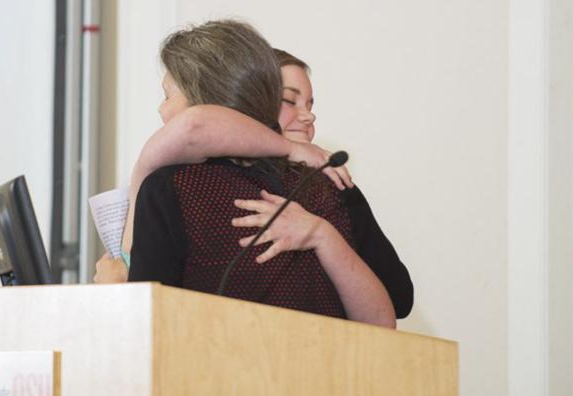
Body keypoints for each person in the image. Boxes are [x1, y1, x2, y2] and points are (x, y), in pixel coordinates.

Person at [120, 20, 407, 328]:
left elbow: (146, 326)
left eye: (168, 96)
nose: (161, 111)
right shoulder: (327, 183)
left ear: (202, 96)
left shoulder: (171, 190)